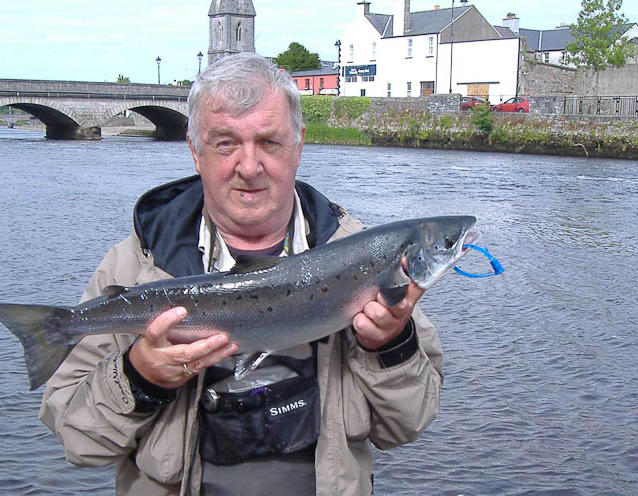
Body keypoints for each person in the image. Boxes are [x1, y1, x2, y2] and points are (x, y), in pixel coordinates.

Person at [39, 52, 444, 496]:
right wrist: (139, 377)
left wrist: (389, 344)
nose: (249, 167)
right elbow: (79, 443)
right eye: (226, 143)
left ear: (299, 144)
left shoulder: (366, 260)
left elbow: (408, 425)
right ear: (195, 151)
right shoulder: (134, 267)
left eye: (269, 142)